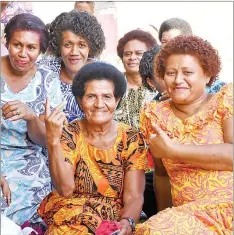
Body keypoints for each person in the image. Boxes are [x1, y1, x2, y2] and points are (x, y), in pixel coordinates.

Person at [135, 35, 233, 234]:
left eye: (188, 72)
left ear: (207, 75)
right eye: (171, 73)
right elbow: (161, 175)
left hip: (227, 208)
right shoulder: (154, 115)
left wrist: (174, 150)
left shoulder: (225, 101)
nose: (178, 80)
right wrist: (164, 217)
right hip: (185, 217)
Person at [38, 62, 147, 235]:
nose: (99, 104)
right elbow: (65, 189)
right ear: (80, 101)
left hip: (115, 214)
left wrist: (127, 222)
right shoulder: (69, 134)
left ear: (116, 100)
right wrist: (53, 140)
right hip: (71, 212)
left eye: (107, 96)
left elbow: (134, 196)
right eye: (91, 96)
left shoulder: (131, 138)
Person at [1, 13, 62, 227]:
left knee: (43, 211)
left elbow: (45, 139)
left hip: (30, 160)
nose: (23, 54)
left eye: (31, 48)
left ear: (41, 51)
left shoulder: (48, 81)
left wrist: (30, 116)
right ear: (6, 41)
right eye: (17, 45)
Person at [38, 10, 105, 123]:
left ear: (91, 47)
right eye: (68, 45)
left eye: (81, 45)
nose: (74, 52)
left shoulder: (104, 73)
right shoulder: (44, 71)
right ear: (59, 46)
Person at [158, 17, 225, 93]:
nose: (169, 46)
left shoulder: (223, 92)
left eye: (176, 40)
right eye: (164, 42)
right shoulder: (159, 99)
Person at [114, 29, 157, 128]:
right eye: (127, 54)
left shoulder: (159, 86)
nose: (132, 57)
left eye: (139, 53)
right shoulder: (113, 86)